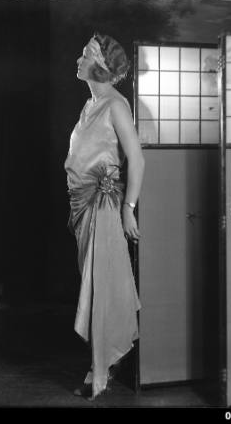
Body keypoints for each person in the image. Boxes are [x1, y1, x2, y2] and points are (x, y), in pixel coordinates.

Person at [64, 32, 145, 401]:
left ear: (98, 65)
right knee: (93, 288)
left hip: (104, 207)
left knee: (102, 290)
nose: (77, 61)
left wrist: (128, 209)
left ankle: (99, 370)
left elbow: (137, 159)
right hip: (82, 206)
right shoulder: (90, 103)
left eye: (83, 56)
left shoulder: (116, 104)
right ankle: (101, 364)